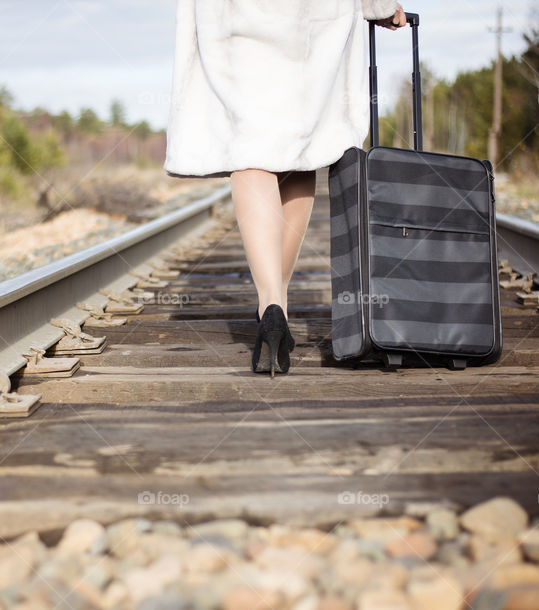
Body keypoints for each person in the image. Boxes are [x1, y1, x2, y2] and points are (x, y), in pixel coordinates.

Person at [164, 0, 408, 376]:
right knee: (302, 148)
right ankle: (277, 304)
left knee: (249, 149)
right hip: (314, 18)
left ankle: (271, 303)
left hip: (234, 15)